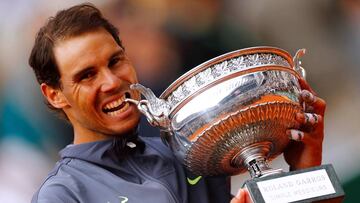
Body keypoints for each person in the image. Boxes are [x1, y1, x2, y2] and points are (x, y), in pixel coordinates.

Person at [28, 3, 326, 203]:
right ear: (54, 94)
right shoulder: (63, 194)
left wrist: (304, 171)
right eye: (87, 75)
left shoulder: (192, 149)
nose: (111, 82)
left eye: (115, 61)